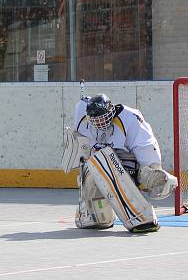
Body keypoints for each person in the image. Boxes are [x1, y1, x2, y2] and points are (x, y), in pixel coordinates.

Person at [66, 93, 177, 233]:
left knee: (105, 161)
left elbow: (145, 145)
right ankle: (97, 217)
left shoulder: (129, 118)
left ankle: (141, 216)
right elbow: (82, 107)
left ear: (111, 110)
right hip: (100, 163)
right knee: (89, 170)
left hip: (127, 165)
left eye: (103, 118)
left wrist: (151, 170)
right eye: (95, 120)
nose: (100, 123)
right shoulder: (83, 116)